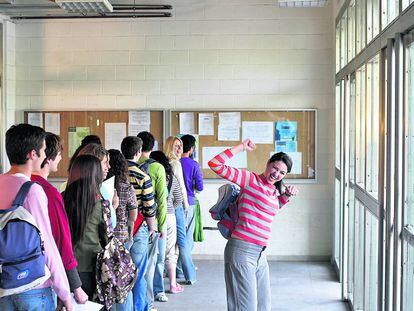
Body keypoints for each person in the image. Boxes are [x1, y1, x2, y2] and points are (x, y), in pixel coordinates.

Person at [208, 139, 299, 311]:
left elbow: (268, 208)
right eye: (275, 168)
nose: (276, 174)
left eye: (282, 173)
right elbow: (215, 164)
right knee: (245, 307)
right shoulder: (250, 180)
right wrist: (241, 147)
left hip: (260, 254)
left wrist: (285, 196)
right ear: (268, 164)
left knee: (264, 305)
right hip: (242, 251)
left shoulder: (273, 190)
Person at [0, 124, 72, 311]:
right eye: (41, 150)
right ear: (33, 154)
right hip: (34, 286)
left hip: (3, 285)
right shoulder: (32, 191)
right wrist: (65, 292)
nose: (43, 154)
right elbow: (46, 243)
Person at [31, 133, 88, 305]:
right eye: (59, 154)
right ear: (47, 158)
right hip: (43, 280)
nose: (61, 158)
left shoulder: (20, 185)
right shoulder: (49, 192)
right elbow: (61, 241)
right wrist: (76, 286)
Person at [63, 154, 112, 299]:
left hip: (65, 266)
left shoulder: (60, 199)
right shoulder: (101, 204)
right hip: (91, 266)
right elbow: (107, 238)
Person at [121, 136, 157, 311]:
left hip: (119, 229)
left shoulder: (115, 174)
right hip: (139, 227)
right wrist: (152, 227)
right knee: (139, 273)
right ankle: (140, 307)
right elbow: (149, 207)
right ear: (138, 153)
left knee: (122, 271)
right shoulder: (143, 176)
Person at [137, 131, 168, 308]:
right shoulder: (158, 168)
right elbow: (162, 200)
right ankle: (148, 302)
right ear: (153, 146)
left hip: (131, 222)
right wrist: (161, 226)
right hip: (151, 221)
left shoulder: (128, 165)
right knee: (150, 264)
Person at [106, 149, 138, 311]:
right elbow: (133, 214)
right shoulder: (126, 186)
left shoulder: (102, 186)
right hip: (122, 236)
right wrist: (130, 230)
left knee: (107, 279)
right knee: (125, 280)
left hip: (105, 238)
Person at [150, 151, 184, 294]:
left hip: (152, 217)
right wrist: (170, 207)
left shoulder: (150, 174)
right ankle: (172, 284)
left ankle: (154, 287)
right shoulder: (172, 178)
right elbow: (179, 199)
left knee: (154, 254)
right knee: (170, 251)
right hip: (169, 216)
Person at [164, 136, 196, 285]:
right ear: (170, 147)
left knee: (172, 242)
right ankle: (190, 274)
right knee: (182, 240)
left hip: (168, 206)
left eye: (180, 146)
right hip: (178, 206)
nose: (179, 149)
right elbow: (181, 187)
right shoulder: (176, 164)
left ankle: (175, 270)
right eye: (176, 146)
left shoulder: (165, 163)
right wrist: (185, 206)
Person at [180, 134, 204, 252]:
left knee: (177, 236)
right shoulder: (194, 164)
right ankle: (185, 266)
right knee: (188, 236)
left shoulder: (173, 163)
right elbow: (200, 187)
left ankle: (176, 268)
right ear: (191, 149)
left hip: (175, 203)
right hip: (189, 202)